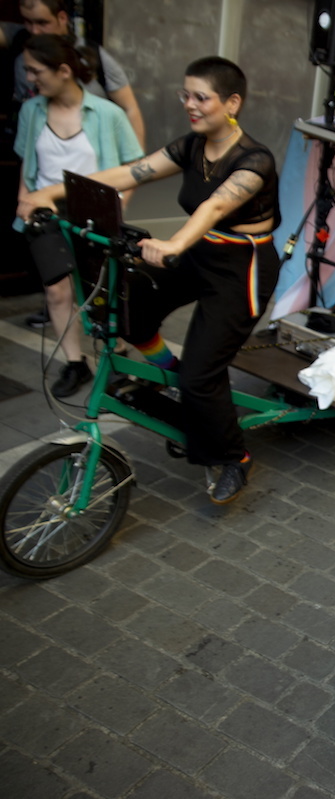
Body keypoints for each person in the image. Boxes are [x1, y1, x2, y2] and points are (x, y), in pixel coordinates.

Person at [24, 56, 280, 504]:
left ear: (232, 102)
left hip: (243, 266)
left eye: (202, 97)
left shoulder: (254, 160)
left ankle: (232, 457)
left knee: (203, 375)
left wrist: (175, 244)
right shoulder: (191, 145)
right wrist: (53, 191)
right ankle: (172, 377)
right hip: (201, 249)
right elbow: (131, 172)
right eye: (186, 95)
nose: (190, 105)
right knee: (128, 307)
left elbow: (214, 207)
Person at [13, 33, 142, 397]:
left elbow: (135, 166)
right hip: (44, 211)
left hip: (93, 212)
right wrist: (24, 204)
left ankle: (115, 357)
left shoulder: (108, 113)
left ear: (65, 71)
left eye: (36, 71)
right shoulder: (31, 110)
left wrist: (120, 208)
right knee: (57, 291)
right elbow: (27, 165)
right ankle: (74, 362)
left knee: (101, 290)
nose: (30, 79)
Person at [10, 0, 145, 148]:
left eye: (42, 23)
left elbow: (129, 108)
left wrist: (137, 164)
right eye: (28, 22)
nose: (34, 31)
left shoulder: (91, 53)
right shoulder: (22, 59)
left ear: (62, 18)